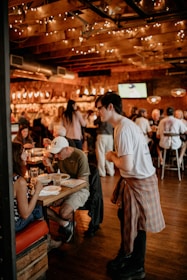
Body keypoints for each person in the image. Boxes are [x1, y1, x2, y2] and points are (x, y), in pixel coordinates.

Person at [96, 92, 165, 280]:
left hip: (139, 181)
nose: (98, 113)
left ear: (110, 107)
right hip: (137, 180)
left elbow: (127, 165)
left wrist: (110, 156)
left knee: (138, 223)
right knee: (126, 217)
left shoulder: (123, 129)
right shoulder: (124, 126)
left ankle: (137, 266)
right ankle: (126, 255)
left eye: (99, 108)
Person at [43, 136, 90, 243]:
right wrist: (49, 165)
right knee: (42, 207)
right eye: (55, 153)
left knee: (63, 212)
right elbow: (54, 175)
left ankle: (70, 223)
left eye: (58, 153)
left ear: (67, 148)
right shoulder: (60, 157)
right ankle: (67, 224)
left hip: (81, 189)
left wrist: (63, 196)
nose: (56, 155)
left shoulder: (80, 156)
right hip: (64, 188)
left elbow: (82, 182)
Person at [12, 142, 43, 232]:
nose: (27, 155)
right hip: (14, 225)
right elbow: (25, 214)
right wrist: (37, 191)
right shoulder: (19, 181)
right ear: (16, 157)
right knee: (37, 207)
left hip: (4, 222)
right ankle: (44, 238)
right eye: (24, 152)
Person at [94, 96, 115, 177]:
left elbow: (95, 122)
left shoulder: (101, 115)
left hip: (101, 135)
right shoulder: (111, 114)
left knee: (100, 154)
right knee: (109, 154)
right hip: (110, 135)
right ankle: (111, 171)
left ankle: (102, 172)